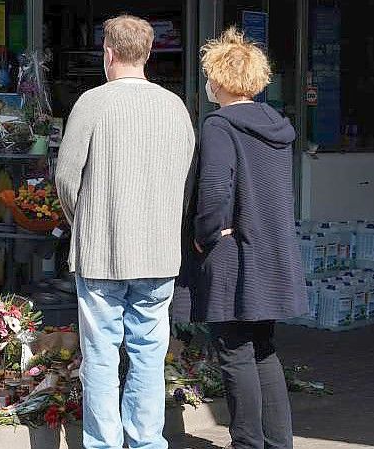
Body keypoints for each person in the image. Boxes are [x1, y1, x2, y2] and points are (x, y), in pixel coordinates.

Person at [55, 15, 195, 449]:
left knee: (99, 356)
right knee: (149, 356)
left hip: (102, 253)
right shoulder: (176, 107)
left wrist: (86, 220)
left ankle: (104, 444)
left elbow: (65, 178)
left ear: (108, 53)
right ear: (149, 54)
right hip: (157, 251)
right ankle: (147, 440)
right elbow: (186, 181)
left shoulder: (91, 103)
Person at [193, 28, 307, 449]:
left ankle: (246, 442)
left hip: (234, 255)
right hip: (271, 251)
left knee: (234, 348)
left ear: (219, 81)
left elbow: (215, 190)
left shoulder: (220, 126)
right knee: (264, 348)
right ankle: (280, 442)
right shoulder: (277, 126)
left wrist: (205, 236)